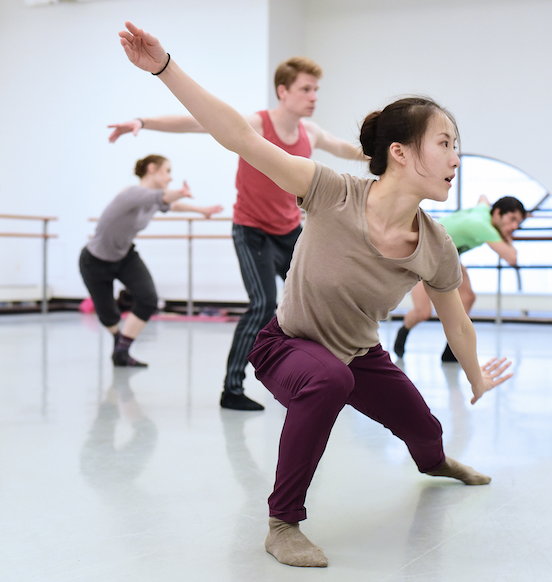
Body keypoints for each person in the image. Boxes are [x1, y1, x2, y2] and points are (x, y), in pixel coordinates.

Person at [119, 21, 513, 568]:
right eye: (445, 144)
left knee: (425, 428)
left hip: (359, 352)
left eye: (456, 146)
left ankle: (436, 464)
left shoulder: (435, 244)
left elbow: (457, 322)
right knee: (330, 379)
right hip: (287, 345)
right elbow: (239, 136)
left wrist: (473, 374)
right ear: (399, 153)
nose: (455, 158)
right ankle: (283, 523)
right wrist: (164, 67)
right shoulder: (330, 191)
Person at [108, 57, 367, 411]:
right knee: (261, 304)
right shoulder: (256, 123)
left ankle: (326, 379)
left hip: (291, 231)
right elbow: (197, 122)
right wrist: (143, 122)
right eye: (306, 89)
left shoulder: (312, 132)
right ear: (283, 91)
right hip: (252, 231)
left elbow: (349, 150)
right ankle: (232, 389)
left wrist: (390, 154)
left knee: (322, 298)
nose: (313, 96)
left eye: (316, 89)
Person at [80, 154, 223, 367]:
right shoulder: (132, 193)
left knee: (148, 300)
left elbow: (171, 206)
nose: (170, 177)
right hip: (95, 260)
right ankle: (119, 343)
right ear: (152, 168)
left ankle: (121, 351)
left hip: (124, 256)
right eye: (167, 171)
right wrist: (180, 193)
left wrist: (201, 210)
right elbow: (164, 198)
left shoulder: (152, 200)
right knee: (108, 315)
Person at [394, 195, 526, 361]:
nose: (514, 226)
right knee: (423, 312)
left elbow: (483, 198)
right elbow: (512, 258)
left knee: (468, 297)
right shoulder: (482, 226)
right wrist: (507, 237)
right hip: (424, 253)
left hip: (448, 257)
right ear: (498, 213)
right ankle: (404, 331)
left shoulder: (484, 211)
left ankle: (451, 349)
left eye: (518, 223)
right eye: (512, 219)